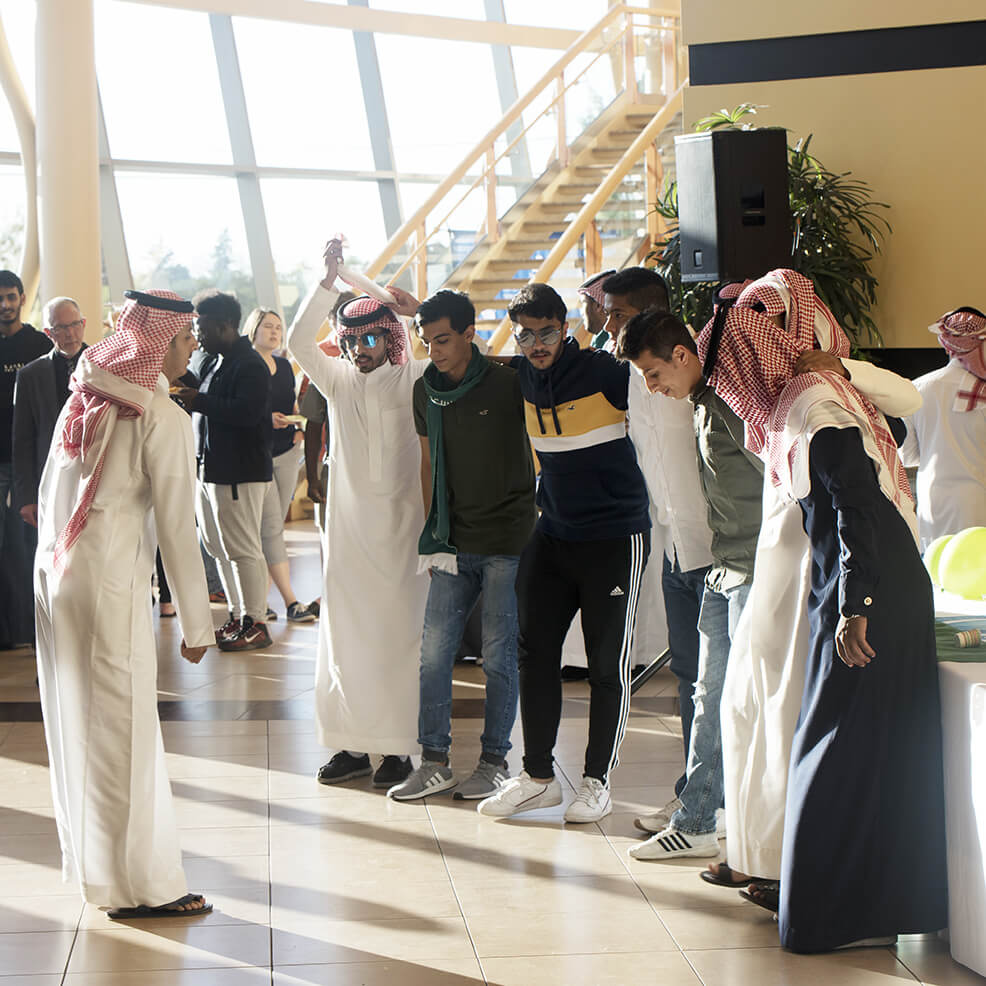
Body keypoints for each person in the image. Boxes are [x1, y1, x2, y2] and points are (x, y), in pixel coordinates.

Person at [697, 268, 947, 951]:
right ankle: (846, 912)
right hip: (847, 583)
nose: (728, 378)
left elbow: (855, 503)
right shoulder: (796, 405)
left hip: (868, 586)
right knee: (843, 743)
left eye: (734, 361)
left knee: (843, 744)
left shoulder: (817, 402)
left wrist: (854, 605)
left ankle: (836, 915)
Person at [35, 289, 215, 919]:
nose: (191, 349)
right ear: (160, 342)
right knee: (126, 733)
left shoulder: (84, 394)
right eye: (185, 339)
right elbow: (177, 527)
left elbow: (53, 496)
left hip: (60, 580)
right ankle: (145, 886)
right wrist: (198, 624)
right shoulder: (160, 414)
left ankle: (101, 872)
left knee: (83, 727)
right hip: (109, 587)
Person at [477, 282, 650, 824]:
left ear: (566, 325)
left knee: (606, 665)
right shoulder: (522, 374)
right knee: (534, 656)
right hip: (552, 534)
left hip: (614, 536)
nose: (535, 344)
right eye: (524, 335)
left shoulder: (606, 371)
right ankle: (538, 778)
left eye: (546, 332)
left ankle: (597, 780)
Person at [616, 308, 762, 859]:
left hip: (754, 571)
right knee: (708, 695)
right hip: (721, 566)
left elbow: (783, 483)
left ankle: (736, 827)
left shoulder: (734, 405)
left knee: (739, 702)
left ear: (681, 356)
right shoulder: (702, 404)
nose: (652, 388)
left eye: (654, 375)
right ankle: (698, 819)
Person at [287, 239, 427, 790]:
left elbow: (464, 355)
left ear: (391, 339)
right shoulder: (339, 381)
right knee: (344, 638)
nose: (362, 349)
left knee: (398, 641)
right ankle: (349, 744)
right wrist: (328, 282)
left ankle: (395, 751)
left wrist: (417, 313)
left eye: (373, 338)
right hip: (347, 536)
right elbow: (301, 340)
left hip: (403, 536)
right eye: (353, 341)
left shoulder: (413, 377)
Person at [387, 290, 536, 801]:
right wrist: (435, 533)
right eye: (426, 341)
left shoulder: (508, 382)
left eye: (444, 339)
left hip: (506, 539)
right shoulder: (424, 390)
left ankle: (495, 761)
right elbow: (428, 462)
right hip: (451, 542)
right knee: (432, 656)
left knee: (498, 657)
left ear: (471, 334)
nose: (435, 351)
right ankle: (434, 762)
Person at [600, 267, 713, 824]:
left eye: (616, 313)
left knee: (720, 687)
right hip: (673, 549)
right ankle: (695, 795)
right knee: (690, 680)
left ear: (649, 312)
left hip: (719, 552)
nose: (606, 323)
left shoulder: (696, 366)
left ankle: (716, 804)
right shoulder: (633, 373)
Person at [173, 290, 273, 652]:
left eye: (202, 327)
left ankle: (257, 621)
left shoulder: (249, 365)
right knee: (218, 548)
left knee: (243, 549)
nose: (197, 335)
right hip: (210, 470)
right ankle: (237, 615)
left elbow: (246, 413)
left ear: (225, 326)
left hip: (239, 473)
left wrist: (197, 399)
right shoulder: (214, 360)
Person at [244, 306, 317, 623]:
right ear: (253, 330)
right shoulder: (244, 366)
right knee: (272, 526)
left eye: (278, 327)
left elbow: (291, 405)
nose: (274, 332)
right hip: (257, 454)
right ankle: (290, 601)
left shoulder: (286, 366)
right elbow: (240, 410)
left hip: (287, 450)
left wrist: (298, 427)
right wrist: (264, 420)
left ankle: (259, 603)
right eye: (268, 327)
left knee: (270, 527)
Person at [900, 306, 986, 544]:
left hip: (934, 504)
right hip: (980, 503)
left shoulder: (918, 388)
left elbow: (908, 456)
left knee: (939, 574)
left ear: (947, 344)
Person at [12, 296, 87, 531]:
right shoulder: (29, 375)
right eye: (61, 328)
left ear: (83, 323)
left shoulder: (104, 366)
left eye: (75, 325)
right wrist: (25, 496)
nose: (71, 334)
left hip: (95, 476)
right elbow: (22, 439)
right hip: (51, 477)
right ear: (48, 332)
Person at [576, 269, 615, 349]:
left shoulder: (610, 342)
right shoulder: (598, 340)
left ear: (598, 305)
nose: (581, 312)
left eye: (583, 303)